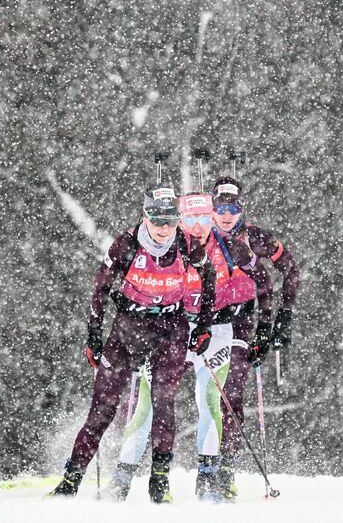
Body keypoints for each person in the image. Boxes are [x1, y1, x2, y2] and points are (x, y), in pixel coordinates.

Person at [52, 184, 217, 502]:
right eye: (156, 219)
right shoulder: (126, 244)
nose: (163, 228)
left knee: (163, 401)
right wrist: (93, 336)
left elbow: (208, 277)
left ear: (177, 219)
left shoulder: (187, 245)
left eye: (170, 219)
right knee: (103, 409)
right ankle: (70, 481)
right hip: (128, 328)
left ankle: (159, 482)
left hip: (170, 328)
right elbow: (100, 289)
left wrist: (204, 326)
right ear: (145, 215)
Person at [107, 191, 273, 503]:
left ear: (211, 217)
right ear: (180, 218)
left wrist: (264, 328)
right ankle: (123, 477)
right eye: (189, 218)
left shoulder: (231, 246)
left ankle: (208, 479)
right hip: (172, 330)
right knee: (148, 403)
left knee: (210, 400)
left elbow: (264, 282)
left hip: (215, 332)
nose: (196, 226)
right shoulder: (167, 244)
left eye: (202, 218)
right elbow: (135, 283)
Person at [208, 175, 300, 500]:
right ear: (212, 207)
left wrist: (279, 320)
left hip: (243, 321)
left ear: (240, 207)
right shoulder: (199, 239)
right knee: (203, 398)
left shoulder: (256, 238)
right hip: (204, 321)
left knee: (231, 394)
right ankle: (204, 467)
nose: (227, 214)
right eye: (221, 207)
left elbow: (290, 269)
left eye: (232, 207)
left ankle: (225, 469)